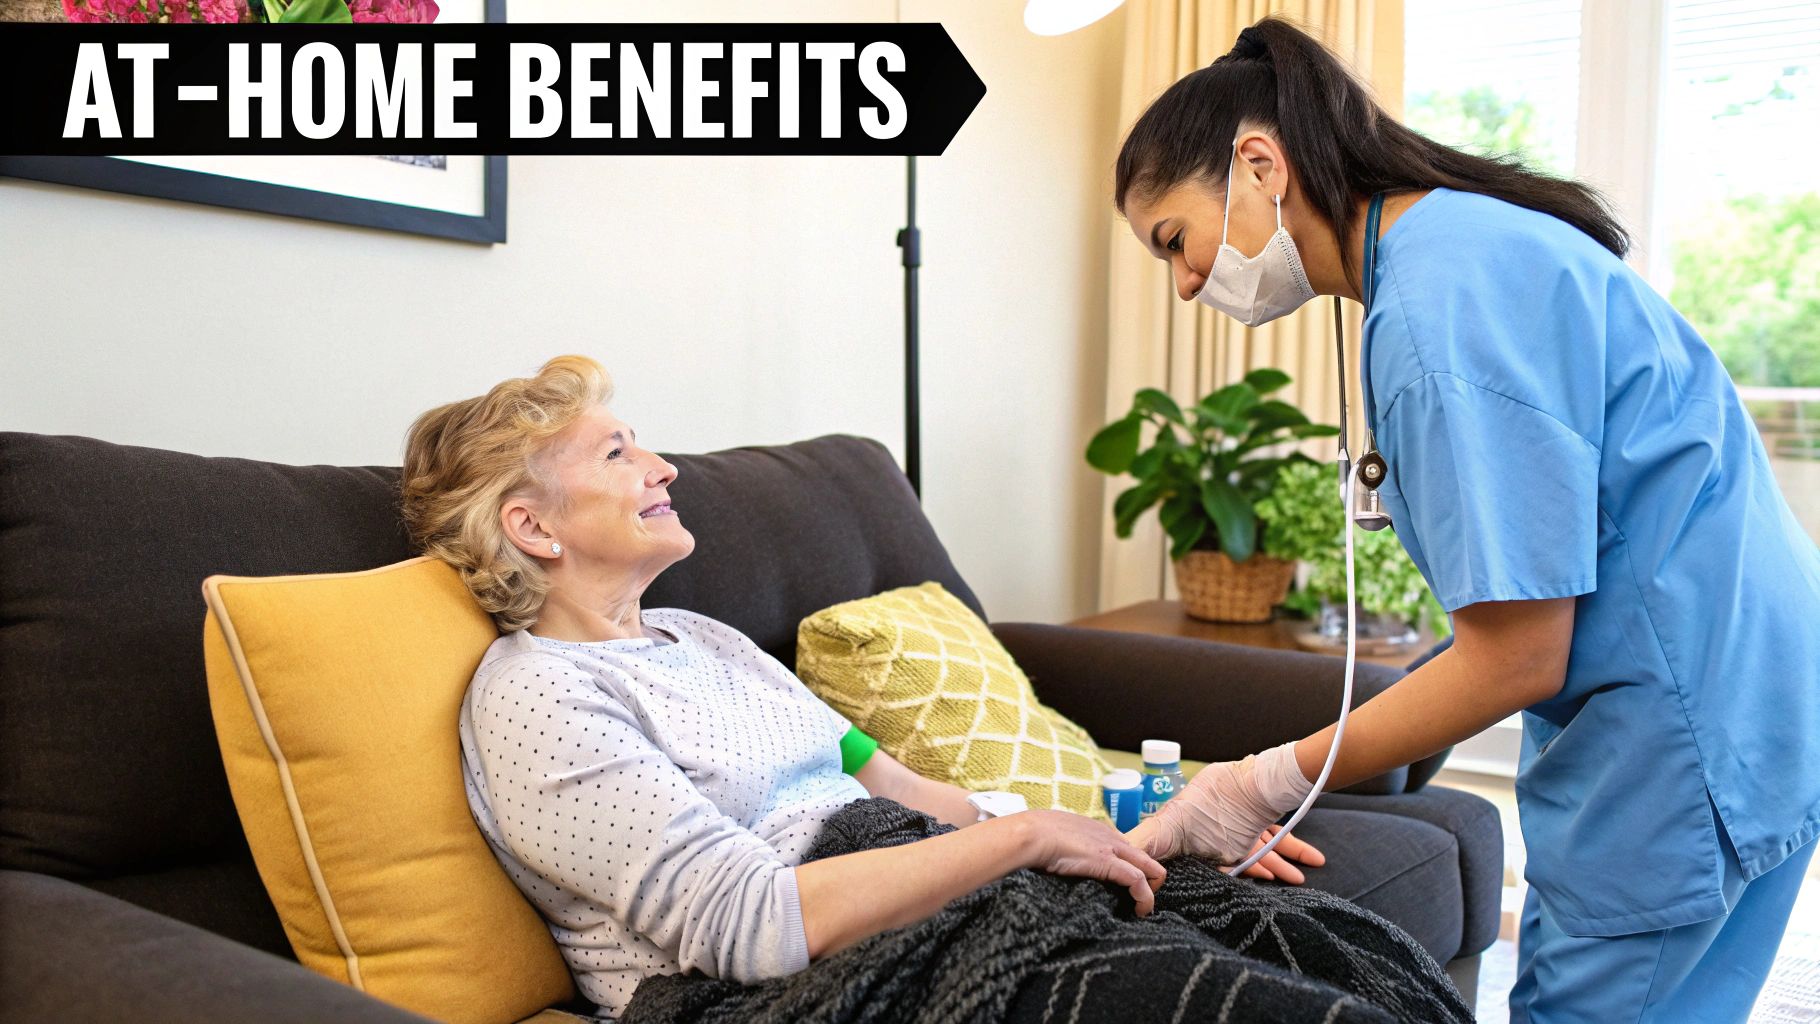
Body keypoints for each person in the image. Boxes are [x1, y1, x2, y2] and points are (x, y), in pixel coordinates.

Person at [1113, 16, 1820, 1024]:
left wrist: (1257, 781)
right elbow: (1529, 580)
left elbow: (1515, 655)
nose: (1183, 285)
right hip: (1752, 681)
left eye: (1173, 241)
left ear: (1258, 163)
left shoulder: (1434, 313)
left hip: (1684, 731)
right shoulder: (1458, 241)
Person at [397, 355, 1326, 1018]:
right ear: (532, 526)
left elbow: (904, 791)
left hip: (903, 877)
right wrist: (1027, 840)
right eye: (616, 455)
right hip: (768, 987)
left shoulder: (706, 639)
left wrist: (1123, 836)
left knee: (1258, 916)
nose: (663, 467)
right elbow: (746, 924)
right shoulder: (537, 698)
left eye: (643, 445)